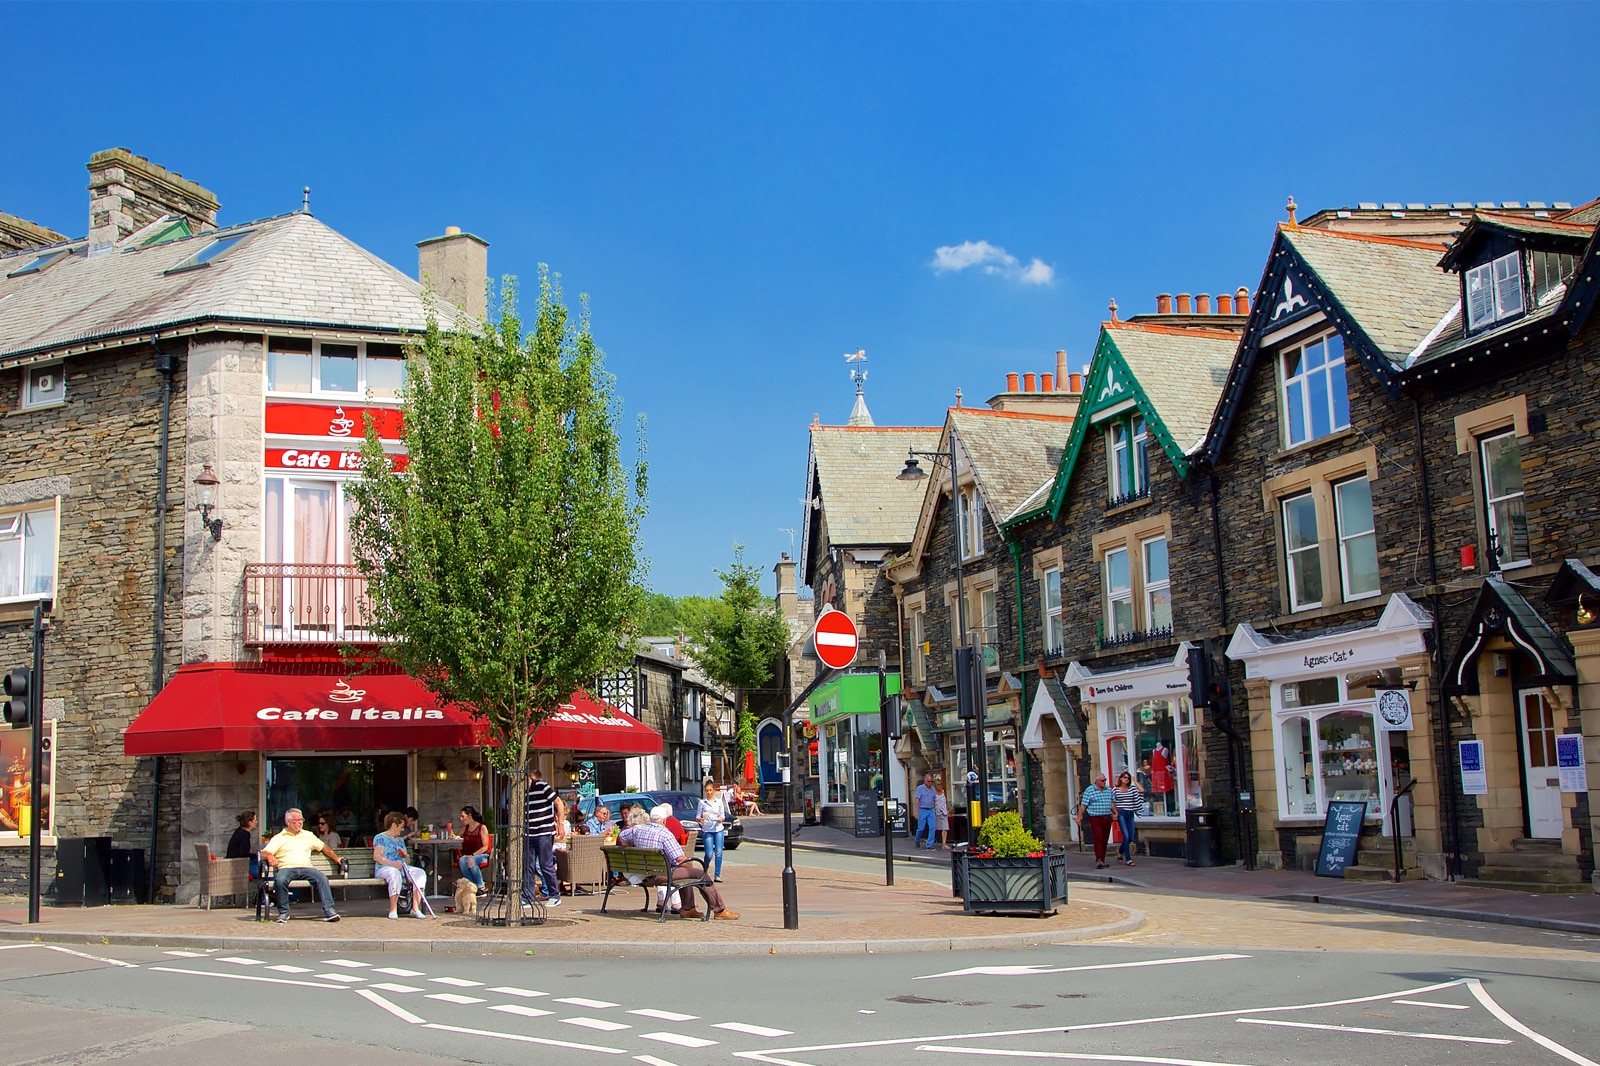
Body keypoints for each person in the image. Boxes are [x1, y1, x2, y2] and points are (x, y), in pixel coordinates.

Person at [617, 806, 739, 920]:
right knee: (698, 873)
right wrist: (690, 868)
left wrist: (629, 847)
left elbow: (622, 836)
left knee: (686, 871)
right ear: (664, 821)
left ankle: (689, 908)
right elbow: (681, 858)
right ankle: (719, 910)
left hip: (645, 875)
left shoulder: (638, 829)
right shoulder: (665, 834)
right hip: (662, 875)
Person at [259, 807, 344, 923]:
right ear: (288, 822)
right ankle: (284, 913)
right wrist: (270, 856)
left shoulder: (308, 835)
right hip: (287, 868)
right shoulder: (279, 838)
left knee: (322, 878)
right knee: (280, 880)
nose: (300, 822)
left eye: (301, 820)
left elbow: (324, 848)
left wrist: (337, 858)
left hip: (306, 867)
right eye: (296, 820)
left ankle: (330, 911)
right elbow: (264, 853)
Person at [372, 811, 427, 919]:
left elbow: (408, 861)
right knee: (394, 873)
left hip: (401, 867)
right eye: (401, 826)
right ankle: (393, 909)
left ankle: (415, 909)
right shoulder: (380, 838)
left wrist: (405, 855)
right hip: (384, 868)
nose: (402, 829)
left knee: (420, 873)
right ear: (393, 825)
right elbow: (377, 857)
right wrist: (392, 863)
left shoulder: (400, 841)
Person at [522, 768, 560, 909]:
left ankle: (554, 895)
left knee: (545, 865)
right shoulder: (521, 792)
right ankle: (526, 897)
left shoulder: (543, 787)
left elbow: (558, 803)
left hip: (544, 832)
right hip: (529, 833)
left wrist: (560, 824)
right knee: (528, 866)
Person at [1076, 773, 1116, 870]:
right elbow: (1083, 805)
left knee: (1105, 839)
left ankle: (1102, 859)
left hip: (1107, 817)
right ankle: (1098, 859)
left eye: (1105, 780)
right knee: (1098, 837)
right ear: (1097, 781)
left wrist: (1115, 813)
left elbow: (1112, 803)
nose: (1104, 782)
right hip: (1095, 817)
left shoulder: (1108, 790)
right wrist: (1079, 817)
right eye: (1102, 780)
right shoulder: (1089, 790)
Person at [696, 780, 729, 881]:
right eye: (707, 791)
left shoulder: (718, 802)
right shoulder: (702, 803)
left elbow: (722, 815)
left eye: (710, 790)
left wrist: (721, 819)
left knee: (718, 852)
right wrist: (700, 819)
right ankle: (704, 872)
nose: (709, 793)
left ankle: (717, 875)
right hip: (707, 830)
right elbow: (698, 816)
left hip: (718, 829)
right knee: (709, 854)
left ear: (714, 790)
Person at [1111, 770, 1145, 866]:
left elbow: (1142, 790)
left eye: (1128, 778)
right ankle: (1128, 858)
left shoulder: (1132, 789)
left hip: (1130, 813)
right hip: (1121, 813)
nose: (1127, 779)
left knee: (1130, 837)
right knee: (1125, 835)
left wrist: (1134, 780)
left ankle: (1120, 851)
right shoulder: (1115, 790)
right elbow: (1112, 802)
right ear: (1121, 779)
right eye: (1125, 777)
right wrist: (1115, 813)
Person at [457, 805, 492, 891]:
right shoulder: (465, 828)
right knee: (462, 860)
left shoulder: (482, 827)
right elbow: (456, 836)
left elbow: (485, 847)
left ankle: (481, 886)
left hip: (482, 856)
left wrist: (472, 855)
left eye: (463, 816)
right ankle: (472, 886)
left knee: (470, 860)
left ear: (469, 816)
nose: (460, 819)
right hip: (467, 856)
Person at [227, 810, 259, 878]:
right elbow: (243, 854)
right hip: (237, 866)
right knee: (263, 871)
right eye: (255, 820)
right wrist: (256, 855)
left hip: (233, 863)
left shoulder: (239, 831)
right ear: (249, 822)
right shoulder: (244, 835)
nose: (256, 822)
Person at [912, 773, 938, 849]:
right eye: (928, 781)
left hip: (930, 810)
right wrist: (916, 812)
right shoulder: (920, 788)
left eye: (931, 781)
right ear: (925, 781)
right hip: (922, 809)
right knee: (921, 828)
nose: (930, 783)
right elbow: (917, 800)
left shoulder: (933, 789)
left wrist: (935, 809)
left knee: (932, 827)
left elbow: (934, 800)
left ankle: (929, 844)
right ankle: (917, 839)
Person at [933, 779, 950, 850]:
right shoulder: (933, 793)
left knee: (945, 828)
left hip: (944, 812)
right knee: (934, 828)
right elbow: (932, 802)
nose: (939, 786)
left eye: (940, 784)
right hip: (936, 812)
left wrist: (948, 810)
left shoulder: (943, 792)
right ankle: (931, 842)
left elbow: (946, 801)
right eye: (938, 784)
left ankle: (944, 844)